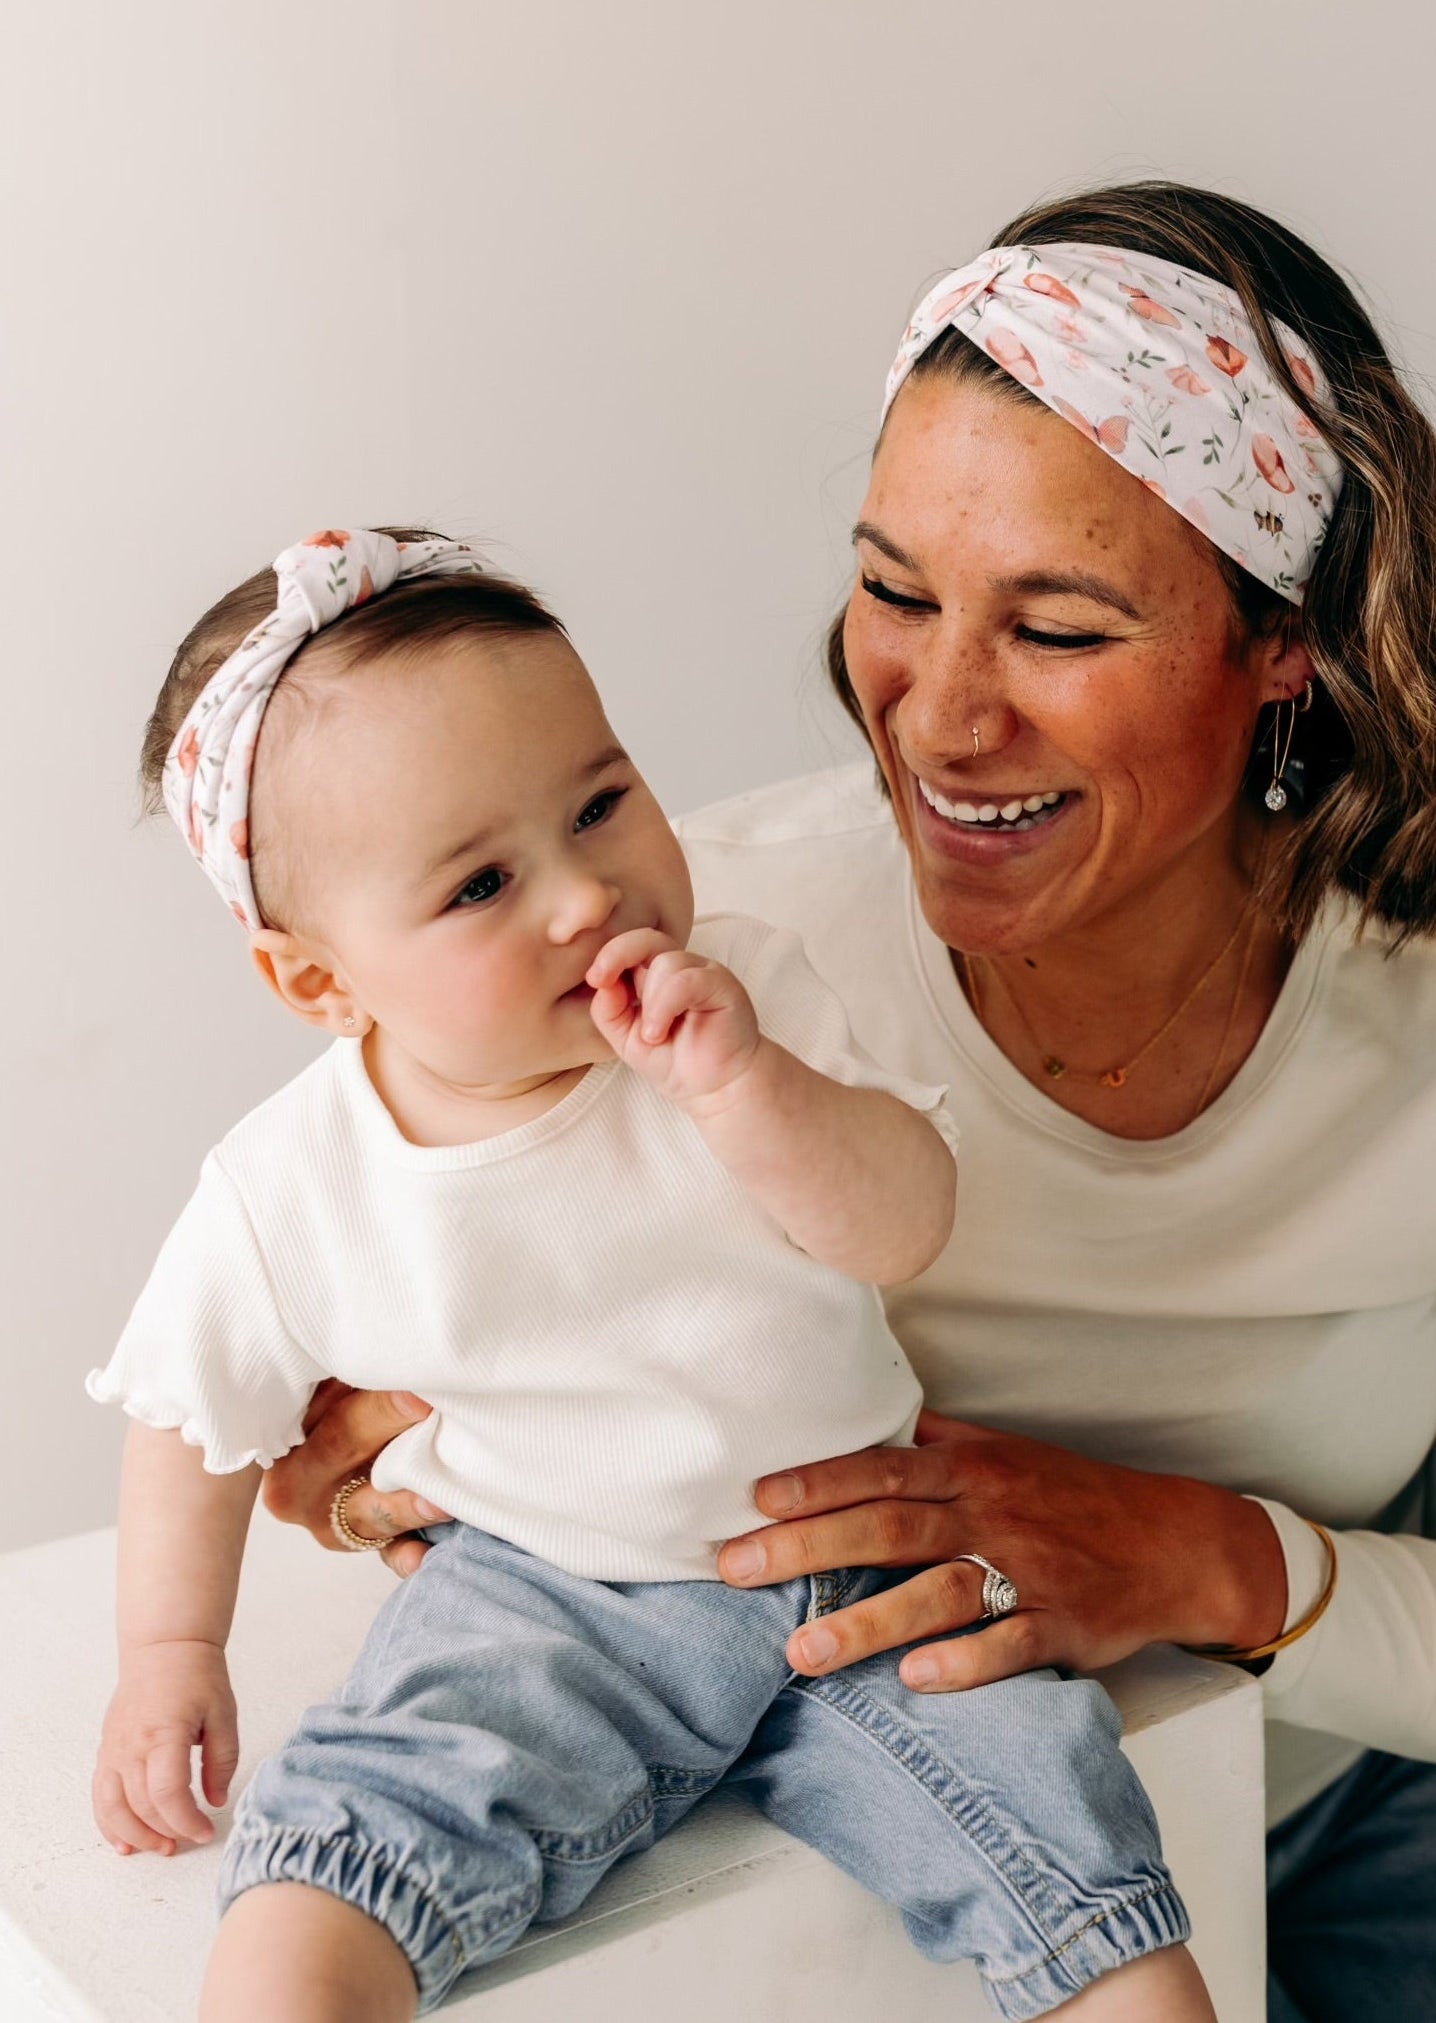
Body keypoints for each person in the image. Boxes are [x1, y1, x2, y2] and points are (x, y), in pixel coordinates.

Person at [271, 184, 1436, 2020]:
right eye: (892, 591)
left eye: (1062, 631)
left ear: (1291, 648)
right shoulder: (689, 957)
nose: (937, 719)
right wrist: (381, 1438)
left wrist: (1187, 1552)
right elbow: (353, 1293)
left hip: (1344, 1789)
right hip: (858, 1835)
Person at [87, 527, 1219, 2022]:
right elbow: (189, 1410)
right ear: (319, 979)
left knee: (1071, 1858)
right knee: (354, 1841)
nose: (583, 896)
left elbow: (897, 1227)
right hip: (554, 1588)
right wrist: (171, 1650)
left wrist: (746, 1088)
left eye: (601, 803)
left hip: (862, 1560)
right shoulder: (295, 1178)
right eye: (482, 883)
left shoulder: (750, 994)